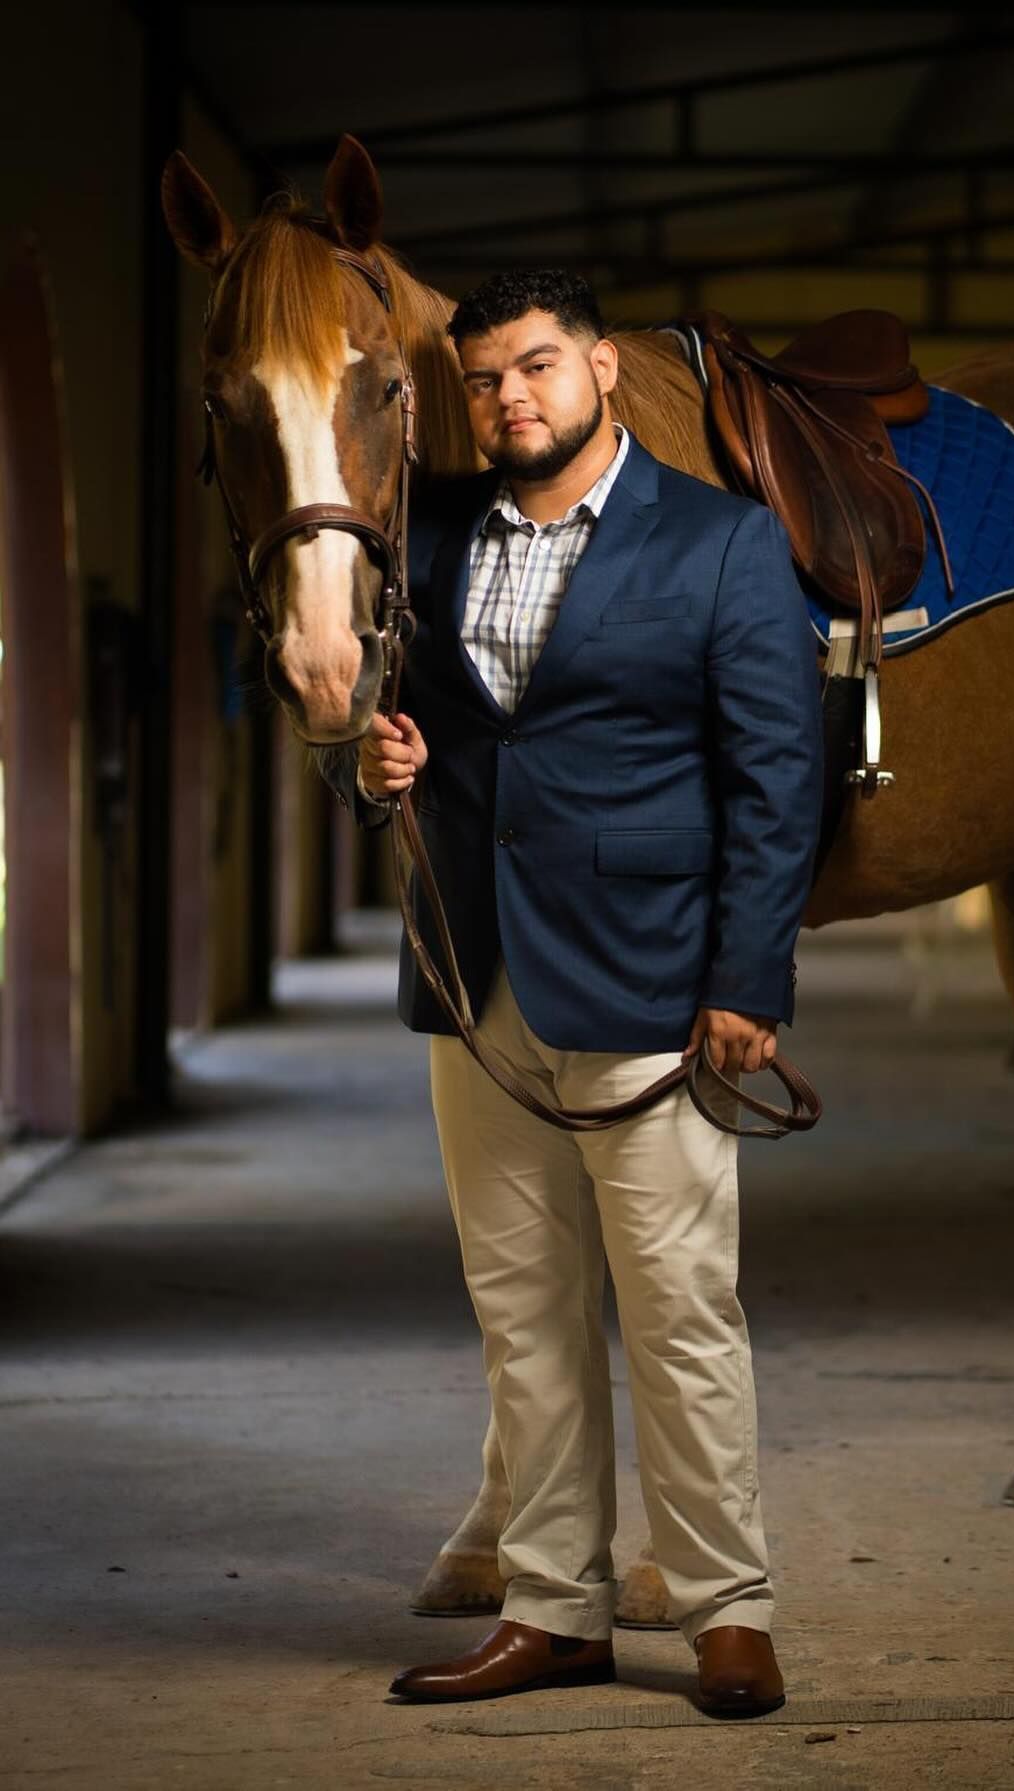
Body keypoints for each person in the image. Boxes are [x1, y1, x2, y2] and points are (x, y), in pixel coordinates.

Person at [326, 270, 824, 1715]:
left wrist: (747, 978)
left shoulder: (723, 542)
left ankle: (729, 1608)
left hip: (657, 991)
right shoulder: (421, 540)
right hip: (477, 993)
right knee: (524, 1317)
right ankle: (555, 1610)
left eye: (537, 367)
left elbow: (777, 781)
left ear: (601, 368)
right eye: (484, 381)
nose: (510, 400)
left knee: (679, 1314)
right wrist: (368, 765)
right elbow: (360, 719)